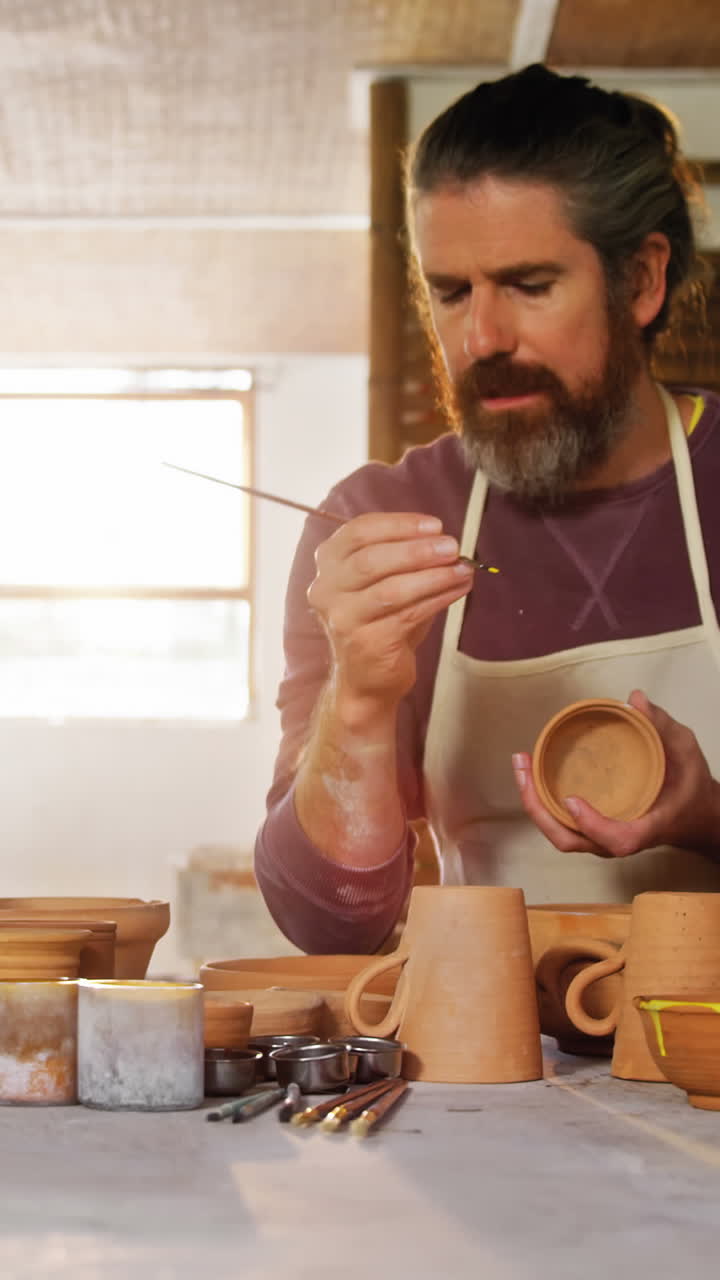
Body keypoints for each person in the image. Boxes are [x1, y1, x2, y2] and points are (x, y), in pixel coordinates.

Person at [254, 63, 720, 954]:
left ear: (643, 282)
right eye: (452, 291)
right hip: (488, 1068)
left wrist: (708, 818)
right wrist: (358, 698)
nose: (481, 340)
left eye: (530, 285)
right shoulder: (376, 522)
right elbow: (326, 922)